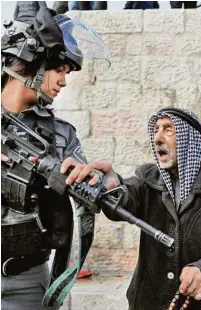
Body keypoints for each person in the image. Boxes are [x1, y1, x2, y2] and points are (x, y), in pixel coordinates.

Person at [78, 107, 201, 310]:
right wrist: (113, 187)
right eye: (156, 131)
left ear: (190, 139)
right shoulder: (147, 178)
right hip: (149, 300)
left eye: (168, 130)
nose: (158, 138)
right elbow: (127, 196)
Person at [1, 8, 108, 309]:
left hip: (29, 280)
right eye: (59, 69)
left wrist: (96, 179)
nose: (63, 81)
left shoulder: (61, 136)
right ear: (34, 64)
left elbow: (94, 186)